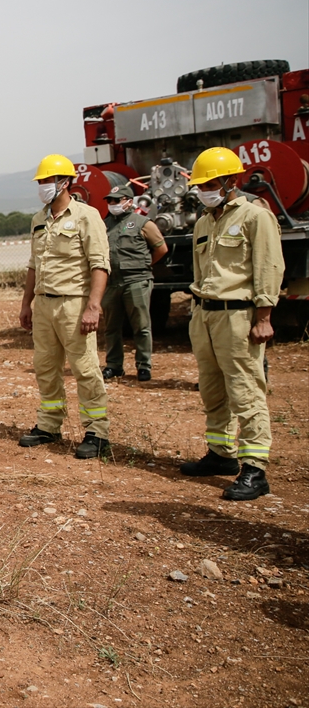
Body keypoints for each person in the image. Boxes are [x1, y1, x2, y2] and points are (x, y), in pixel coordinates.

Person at [179, 147, 285, 501]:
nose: (204, 189)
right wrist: (197, 311)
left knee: (246, 390)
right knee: (212, 389)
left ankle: (254, 467)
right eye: (201, 184)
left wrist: (264, 316)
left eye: (210, 183)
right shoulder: (204, 222)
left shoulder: (256, 217)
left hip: (238, 316)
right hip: (206, 315)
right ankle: (221, 454)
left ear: (231, 181)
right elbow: (200, 271)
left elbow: (269, 266)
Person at [18, 154, 112, 459]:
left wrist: (93, 307)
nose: (43, 186)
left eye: (48, 181)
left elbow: (100, 264)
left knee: (85, 369)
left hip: (74, 304)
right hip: (44, 305)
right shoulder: (38, 220)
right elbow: (34, 265)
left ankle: (97, 432)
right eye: (41, 181)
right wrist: (26, 303)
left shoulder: (87, 216)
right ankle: (49, 425)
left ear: (65, 182)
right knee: (46, 368)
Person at [100, 177, 168, 383]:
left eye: (116, 200)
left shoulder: (143, 223)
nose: (112, 205)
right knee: (112, 327)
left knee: (141, 325)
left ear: (129, 201)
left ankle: (144, 366)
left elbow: (161, 248)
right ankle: (114, 365)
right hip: (112, 282)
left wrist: (145, 265)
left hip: (136, 280)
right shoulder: (104, 224)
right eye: (110, 201)